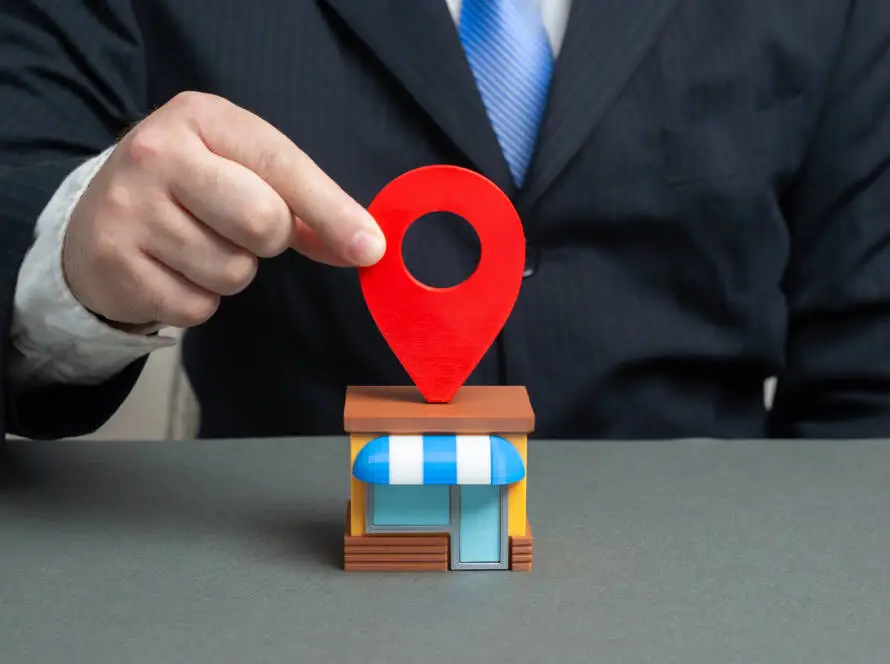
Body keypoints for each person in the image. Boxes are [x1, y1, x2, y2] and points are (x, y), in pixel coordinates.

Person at [2, 0, 890, 442]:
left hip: (720, 592)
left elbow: (870, 380)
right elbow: (21, 163)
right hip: (287, 587)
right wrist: (70, 256)